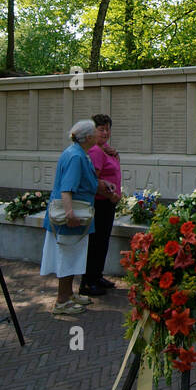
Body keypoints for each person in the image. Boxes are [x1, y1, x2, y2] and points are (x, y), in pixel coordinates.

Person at [42, 120, 99, 316]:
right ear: (88, 137)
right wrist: (69, 214)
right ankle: (62, 301)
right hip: (72, 216)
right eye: (95, 133)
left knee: (74, 255)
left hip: (76, 213)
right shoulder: (76, 156)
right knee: (68, 257)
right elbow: (67, 188)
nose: (98, 136)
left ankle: (69, 294)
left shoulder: (77, 152)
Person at [81, 113, 121, 297]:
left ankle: (97, 276)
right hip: (100, 203)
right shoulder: (96, 151)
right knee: (96, 242)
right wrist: (110, 196)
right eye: (101, 129)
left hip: (108, 202)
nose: (105, 132)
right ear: (93, 131)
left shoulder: (105, 148)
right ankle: (88, 282)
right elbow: (94, 181)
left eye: (107, 128)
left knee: (103, 241)